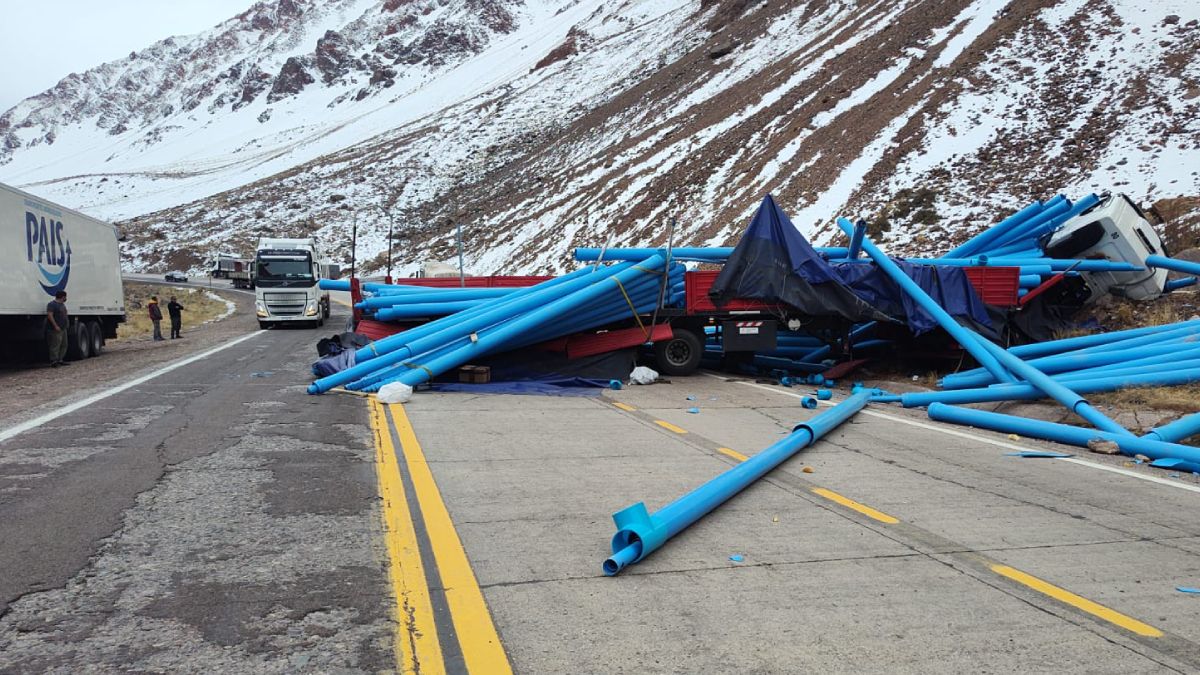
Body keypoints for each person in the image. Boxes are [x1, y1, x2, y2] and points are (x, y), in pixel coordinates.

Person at [45, 290, 70, 367]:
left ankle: (60, 359)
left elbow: (65, 314)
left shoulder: (62, 305)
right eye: (65, 297)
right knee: (55, 344)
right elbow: (50, 315)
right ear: (63, 297)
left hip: (63, 327)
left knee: (64, 344)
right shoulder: (52, 304)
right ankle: (54, 360)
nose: (66, 298)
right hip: (56, 328)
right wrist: (55, 325)